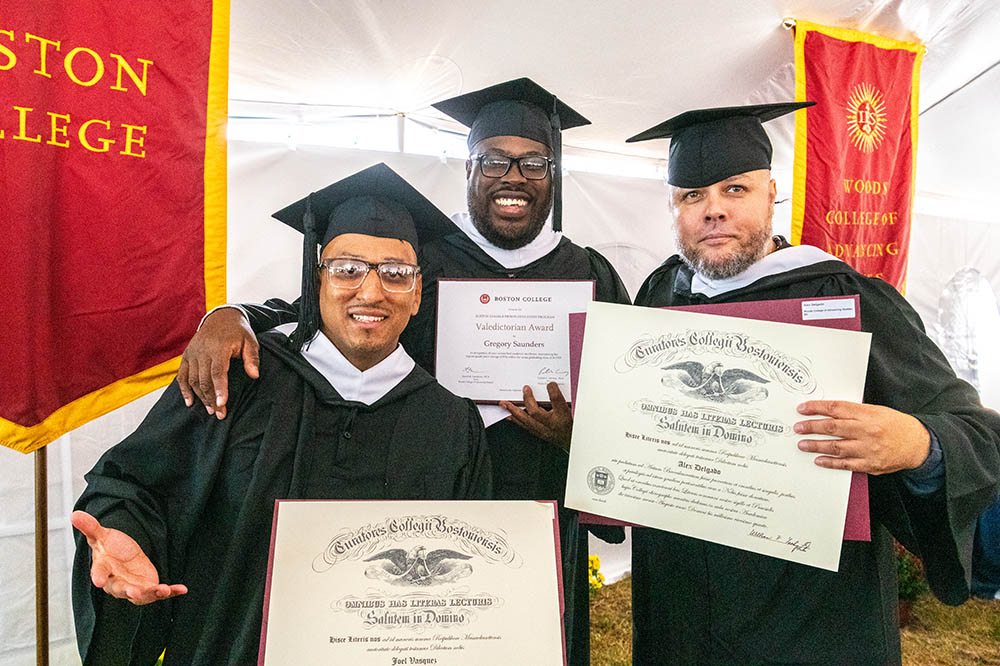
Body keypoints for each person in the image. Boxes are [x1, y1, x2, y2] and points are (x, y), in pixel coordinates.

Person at [176, 78, 630, 666]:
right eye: (493, 159)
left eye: (533, 162)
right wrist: (229, 313)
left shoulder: (591, 273)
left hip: (543, 504)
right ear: (468, 169)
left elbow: (626, 405)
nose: (512, 176)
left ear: (554, 173)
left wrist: (583, 439)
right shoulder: (422, 262)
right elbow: (320, 315)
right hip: (428, 492)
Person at [624, 102, 1000, 665]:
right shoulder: (659, 296)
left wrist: (918, 444)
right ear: (673, 208)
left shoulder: (849, 299)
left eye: (734, 190)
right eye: (691, 196)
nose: (712, 212)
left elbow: (975, 431)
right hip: (679, 606)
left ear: (771, 192)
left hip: (809, 612)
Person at [71, 164, 491, 666]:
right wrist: (125, 532)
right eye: (348, 269)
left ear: (418, 293)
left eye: (396, 273)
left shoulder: (451, 423)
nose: (372, 292)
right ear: (317, 281)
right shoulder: (240, 377)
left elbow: (472, 573)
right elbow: (140, 483)